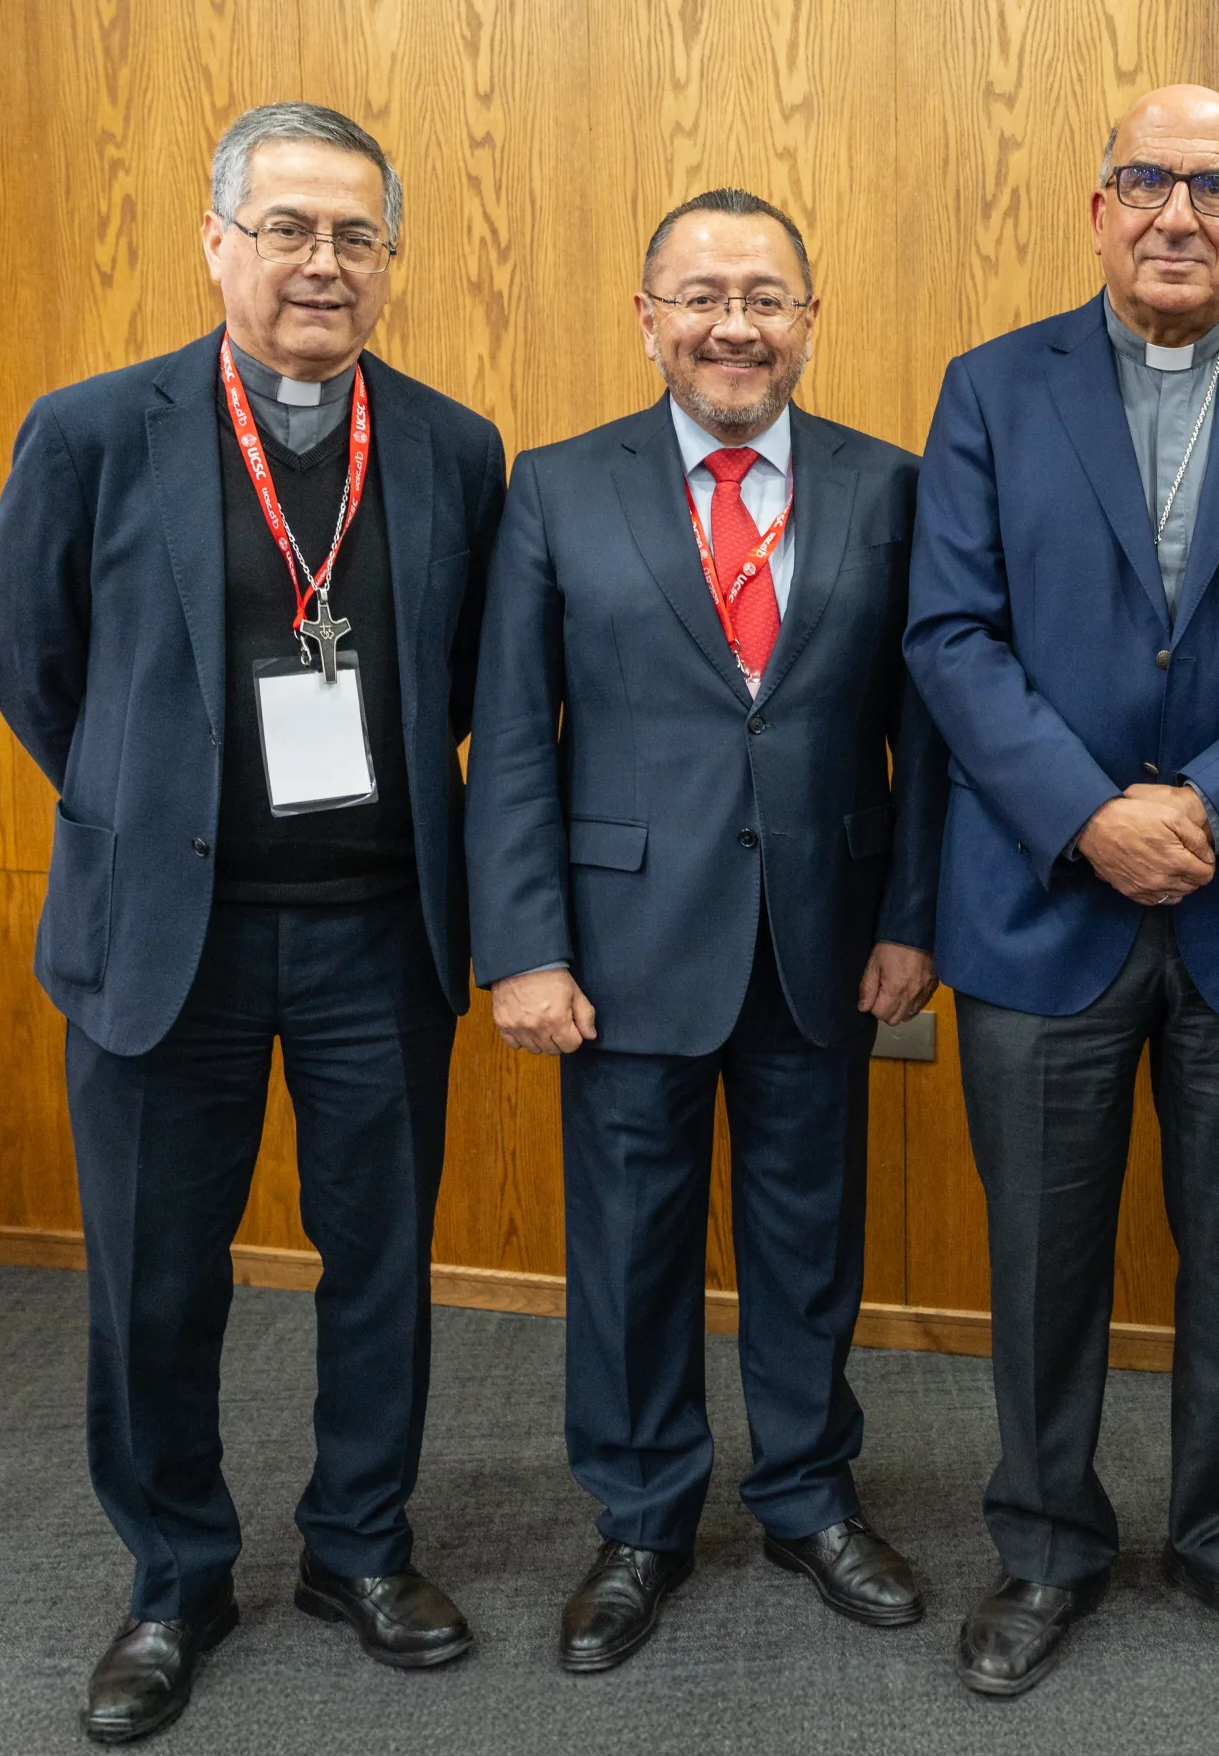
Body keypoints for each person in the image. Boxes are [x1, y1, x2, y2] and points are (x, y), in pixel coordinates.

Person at [0, 103, 505, 1744]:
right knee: (153, 1279)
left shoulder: (452, 447)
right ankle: (173, 1575)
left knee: (380, 1267)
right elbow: (28, 659)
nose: (320, 266)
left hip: (375, 937)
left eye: (354, 236)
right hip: (164, 938)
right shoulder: (89, 430)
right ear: (216, 242)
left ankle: (359, 1548)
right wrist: (154, 807)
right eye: (285, 228)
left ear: (390, 262)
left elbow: (474, 679)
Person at [905, 85, 1219, 1696]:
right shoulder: (989, 390)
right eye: (1145, 181)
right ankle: (1046, 1545)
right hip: (1043, 905)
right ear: (1096, 206)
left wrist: (1209, 804)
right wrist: (1087, 815)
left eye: (1213, 188)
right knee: (1042, 1260)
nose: (1175, 213)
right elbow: (951, 639)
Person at [467, 188, 947, 1674]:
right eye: (700, 293)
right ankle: (641, 1517)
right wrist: (524, 948)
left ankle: (807, 1494)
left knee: (810, 1244)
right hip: (618, 948)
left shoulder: (891, 486)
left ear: (810, 319)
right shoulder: (554, 486)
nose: (733, 322)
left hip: (824, 934)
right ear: (647, 315)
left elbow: (924, 731)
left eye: (765, 295)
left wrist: (913, 917)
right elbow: (515, 735)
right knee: (626, 1248)